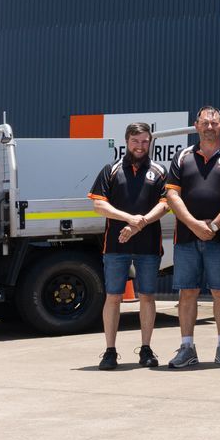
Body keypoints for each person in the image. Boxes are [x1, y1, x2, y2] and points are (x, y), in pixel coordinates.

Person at [162, 106, 220, 367]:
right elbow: (172, 195)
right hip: (186, 238)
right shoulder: (182, 156)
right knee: (187, 293)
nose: (210, 127)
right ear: (196, 125)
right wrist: (194, 224)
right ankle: (187, 348)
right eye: (205, 122)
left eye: (215, 123)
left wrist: (216, 225)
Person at [86, 121, 168, 370]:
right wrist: (128, 219)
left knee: (147, 296)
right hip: (115, 246)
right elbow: (99, 205)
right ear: (126, 142)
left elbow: (165, 205)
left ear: (150, 142)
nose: (140, 146)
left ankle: (146, 349)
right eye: (135, 141)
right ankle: (110, 351)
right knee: (113, 297)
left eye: (145, 141)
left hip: (149, 245)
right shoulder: (110, 170)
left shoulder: (159, 171)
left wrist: (137, 225)